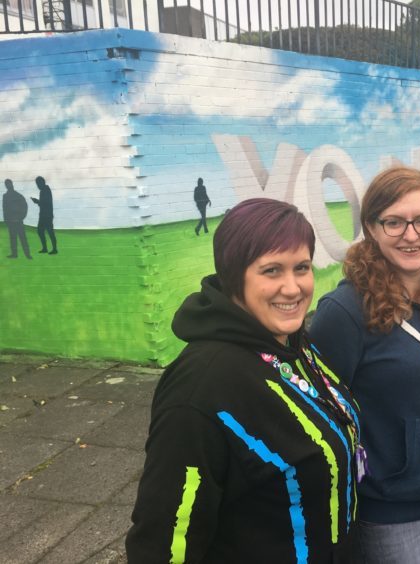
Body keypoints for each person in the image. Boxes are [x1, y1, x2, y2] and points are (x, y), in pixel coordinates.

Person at [126, 198, 361, 563]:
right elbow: (161, 542)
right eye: (271, 271)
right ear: (234, 276)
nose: (293, 287)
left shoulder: (290, 342)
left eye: (302, 267)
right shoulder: (200, 388)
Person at [310, 166, 420, 564]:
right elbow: (323, 420)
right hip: (394, 516)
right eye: (394, 222)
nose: (411, 234)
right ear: (371, 227)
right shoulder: (344, 313)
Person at [3, 179, 32, 259]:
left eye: (8, 184)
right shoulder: (7, 196)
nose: (8, 185)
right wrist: (7, 220)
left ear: (11, 184)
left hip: (18, 221)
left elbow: (24, 207)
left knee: (21, 239)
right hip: (13, 222)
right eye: (7, 184)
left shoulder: (18, 196)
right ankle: (16, 254)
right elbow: (5, 209)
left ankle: (26, 255)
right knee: (15, 239)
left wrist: (21, 217)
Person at [31, 176, 57, 254]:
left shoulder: (45, 190)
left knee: (49, 232)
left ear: (42, 183)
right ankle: (46, 248)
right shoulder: (44, 190)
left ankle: (53, 249)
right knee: (41, 231)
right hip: (44, 215)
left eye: (38, 184)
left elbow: (45, 203)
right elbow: (44, 203)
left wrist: (37, 201)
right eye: (37, 184)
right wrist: (38, 202)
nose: (38, 186)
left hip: (47, 215)